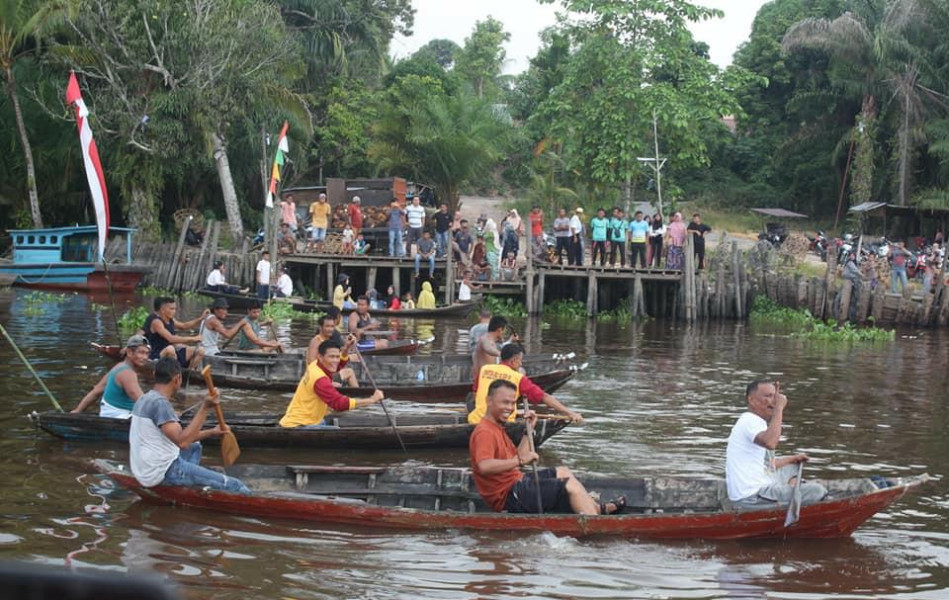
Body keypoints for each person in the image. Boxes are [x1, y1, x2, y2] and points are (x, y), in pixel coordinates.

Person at [469, 379, 621, 515]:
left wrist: (528, 430)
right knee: (568, 486)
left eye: (512, 403)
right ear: (489, 401)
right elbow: (484, 466)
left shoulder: (497, 427)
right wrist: (521, 461)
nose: (510, 407)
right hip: (508, 496)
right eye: (504, 402)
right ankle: (594, 522)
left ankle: (595, 508)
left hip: (517, 482)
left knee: (563, 472)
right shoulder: (484, 432)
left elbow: (517, 459)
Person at [129, 357, 249, 493]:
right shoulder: (160, 404)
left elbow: (184, 440)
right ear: (177, 379)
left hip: (145, 467)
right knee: (236, 486)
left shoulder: (145, 398)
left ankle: (191, 482)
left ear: (155, 374)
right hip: (162, 471)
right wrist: (205, 407)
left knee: (195, 447)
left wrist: (212, 432)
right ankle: (187, 479)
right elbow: (183, 442)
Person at [726, 380, 826, 509]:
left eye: (775, 396)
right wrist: (779, 408)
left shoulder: (757, 423)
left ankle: (789, 496)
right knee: (817, 491)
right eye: (768, 396)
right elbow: (771, 443)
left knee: (792, 467)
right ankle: (791, 498)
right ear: (751, 400)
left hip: (758, 488)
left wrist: (792, 459)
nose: (774, 401)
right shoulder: (749, 420)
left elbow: (767, 465)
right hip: (752, 497)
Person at [468, 343, 583, 425]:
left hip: (474, 420)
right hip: (499, 424)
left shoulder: (485, 369)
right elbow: (544, 397)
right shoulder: (518, 378)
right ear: (513, 361)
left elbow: (475, 394)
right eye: (520, 360)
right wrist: (570, 413)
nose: (521, 363)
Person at [280, 340, 385, 428]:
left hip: (303, 419)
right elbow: (339, 404)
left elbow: (337, 365)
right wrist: (371, 400)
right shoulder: (320, 379)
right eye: (331, 357)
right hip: (301, 424)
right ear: (320, 357)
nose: (335, 360)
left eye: (337, 356)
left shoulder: (315, 364)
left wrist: (346, 349)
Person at [72, 334, 149, 418]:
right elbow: (142, 401)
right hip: (120, 416)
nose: (145, 357)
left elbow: (96, 392)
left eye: (147, 353)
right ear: (129, 352)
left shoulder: (118, 367)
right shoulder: (127, 373)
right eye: (141, 353)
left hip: (108, 413)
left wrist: (78, 410)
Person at [143, 297, 205, 369]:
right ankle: (175, 372)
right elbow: (171, 339)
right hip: (158, 353)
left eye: (175, 309)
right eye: (171, 309)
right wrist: (193, 339)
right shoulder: (156, 322)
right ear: (163, 310)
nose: (174, 311)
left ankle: (187, 373)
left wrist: (201, 319)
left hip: (173, 351)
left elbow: (184, 326)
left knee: (200, 350)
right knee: (170, 349)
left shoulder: (171, 320)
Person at [305, 316, 359, 387]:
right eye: (327, 326)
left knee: (349, 372)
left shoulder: (328, 341)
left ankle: (356, 395)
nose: (330, 329)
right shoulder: (316, 341)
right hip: (318, 376)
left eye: (332, 326)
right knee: (336, 384)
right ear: (320, 327)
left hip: (330, 374)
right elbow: (311, 363)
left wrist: (347, 347)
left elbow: (339, 359)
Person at [471, 315, 513, 380]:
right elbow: (489, 349)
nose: (504, 333)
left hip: (491, 377)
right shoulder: (485, 339)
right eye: (504, 330)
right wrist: (502, 354)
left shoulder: (493, 340)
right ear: (499, 330)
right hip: (483, 381)